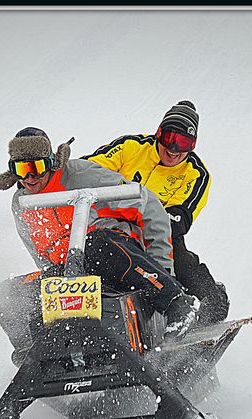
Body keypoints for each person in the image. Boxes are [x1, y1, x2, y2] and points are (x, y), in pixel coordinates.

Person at [0, 127, 200, 367]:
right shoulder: (22, 204)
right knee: (7, 293)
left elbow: (149, 207)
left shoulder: (81, 178)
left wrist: (162, 272)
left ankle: (177, 302)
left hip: (115, 258)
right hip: (75, 276)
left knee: (93, 245)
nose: (29, 178)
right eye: (21, 170)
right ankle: (37, 354)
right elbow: (43, 257)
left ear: (50, 162)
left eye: (35, 167)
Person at [81, 100, 229, 326]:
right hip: (112, 223)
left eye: (184, 143)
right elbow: (89, 169)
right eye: (170, 138)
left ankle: (210, 303)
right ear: (159, 133)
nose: (174, 149)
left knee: (178, 256)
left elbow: (180, 219)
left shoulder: (196, 174)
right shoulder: (131, 147)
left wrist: (148, 214)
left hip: (158, 231)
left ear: (193, 145)